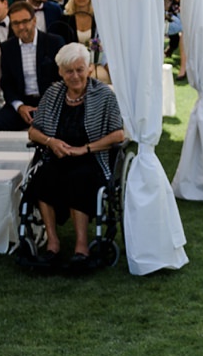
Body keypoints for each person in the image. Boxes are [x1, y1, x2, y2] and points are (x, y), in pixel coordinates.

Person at [25, 43, 128, 267]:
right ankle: (53, 243)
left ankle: (81, 246)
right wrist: (51, 142)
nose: (75, 76)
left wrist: (85, 148)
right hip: (58, 156)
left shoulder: (103, 95)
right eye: (69, 71)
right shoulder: (53, 93)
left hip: (92, 160)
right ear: (60, 72)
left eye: (79, 69)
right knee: (43, 177)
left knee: (79, 178)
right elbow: (33, 131)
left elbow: (118, 134)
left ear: (89, 69)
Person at [0, 0, 67, 131]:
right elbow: (7, 83)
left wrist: (47, 106)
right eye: (16, 23)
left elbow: (63, 78)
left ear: (34, 20)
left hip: (51, 102)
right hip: (22, 103)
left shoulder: (54, 42)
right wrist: (20, 107)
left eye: (25, 21)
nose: (21, 27)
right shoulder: (7, 48)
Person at [57, 0, 109, 81]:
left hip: (94, 63)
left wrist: (92, 65)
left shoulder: (98, 18)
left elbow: (100, 45)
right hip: (71, 63)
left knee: (99, 77)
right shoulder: (65, 19)